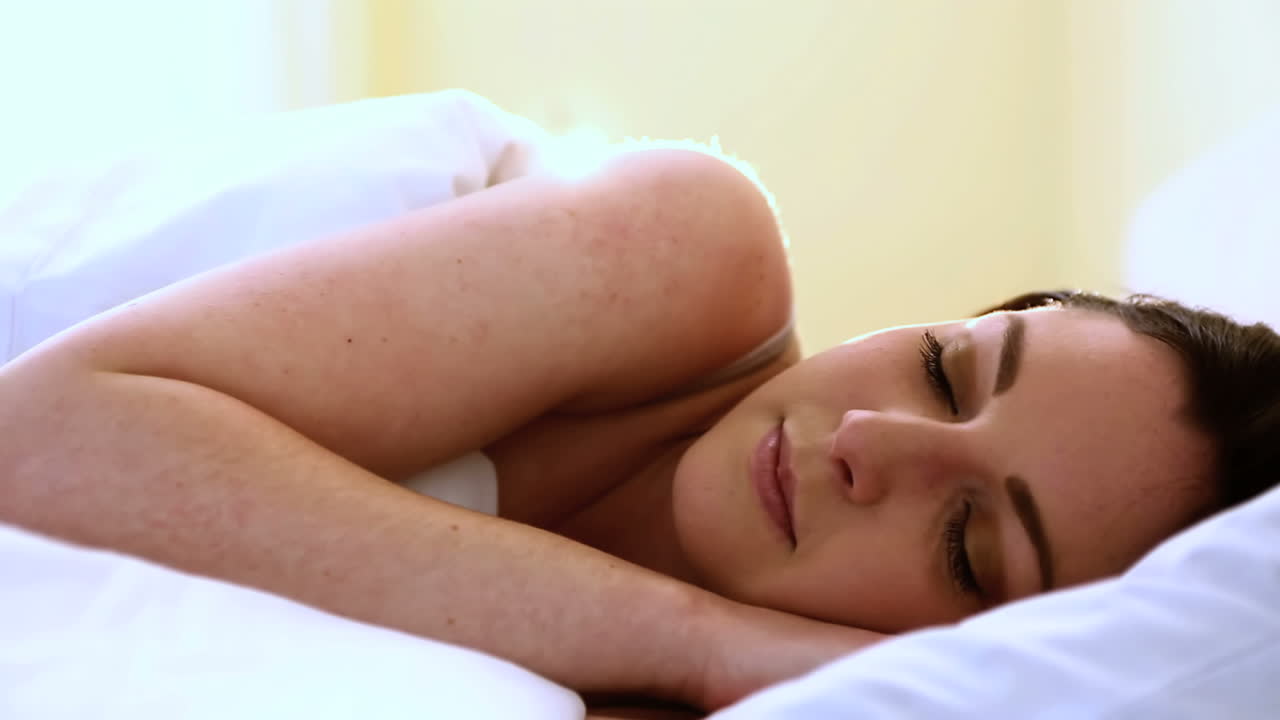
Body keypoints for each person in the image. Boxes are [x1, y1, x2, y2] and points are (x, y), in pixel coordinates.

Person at [1, 147, 1278, 717]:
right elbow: (45, 441)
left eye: (965, 545)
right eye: (946, 370)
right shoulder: (693, 254)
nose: (871, 443)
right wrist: (701, 643)